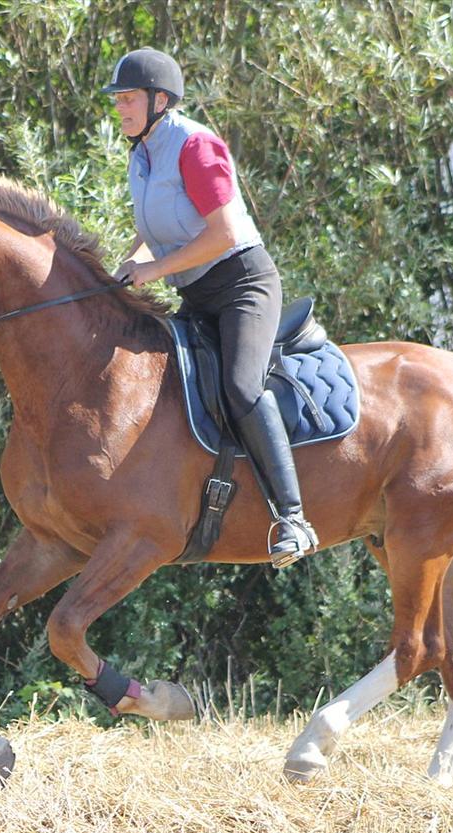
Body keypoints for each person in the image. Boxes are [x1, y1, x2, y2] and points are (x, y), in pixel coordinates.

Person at [103, 48, 319, 568]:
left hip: (243, 283)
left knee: (242, 385)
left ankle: (293, 517)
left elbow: (221, 235)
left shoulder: (195, 145)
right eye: (118, 101)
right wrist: (125, 265)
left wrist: (152, 272)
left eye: (128, 99)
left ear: (160, 100)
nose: (120, 109)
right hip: (197, 294)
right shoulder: (142, 152)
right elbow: (155, 228)